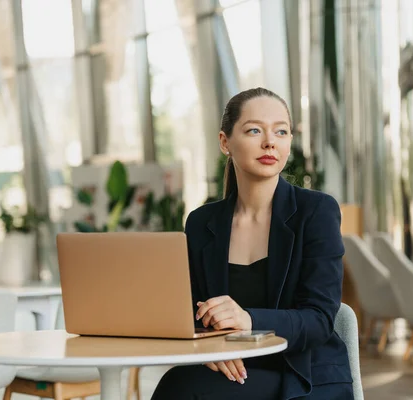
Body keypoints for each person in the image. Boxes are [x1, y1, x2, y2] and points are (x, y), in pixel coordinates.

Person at [151, 87, 353, 399]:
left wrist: (249, 319)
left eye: (281, 131)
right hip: (233, 371)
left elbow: (320, 319)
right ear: (225, 142)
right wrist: (209, 349)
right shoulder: (201, 223)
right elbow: (190, 314)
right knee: (182, 383)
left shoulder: (316, 212)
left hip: (302, 376)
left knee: (180, 389)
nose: (270, 141)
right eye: (254, 130)